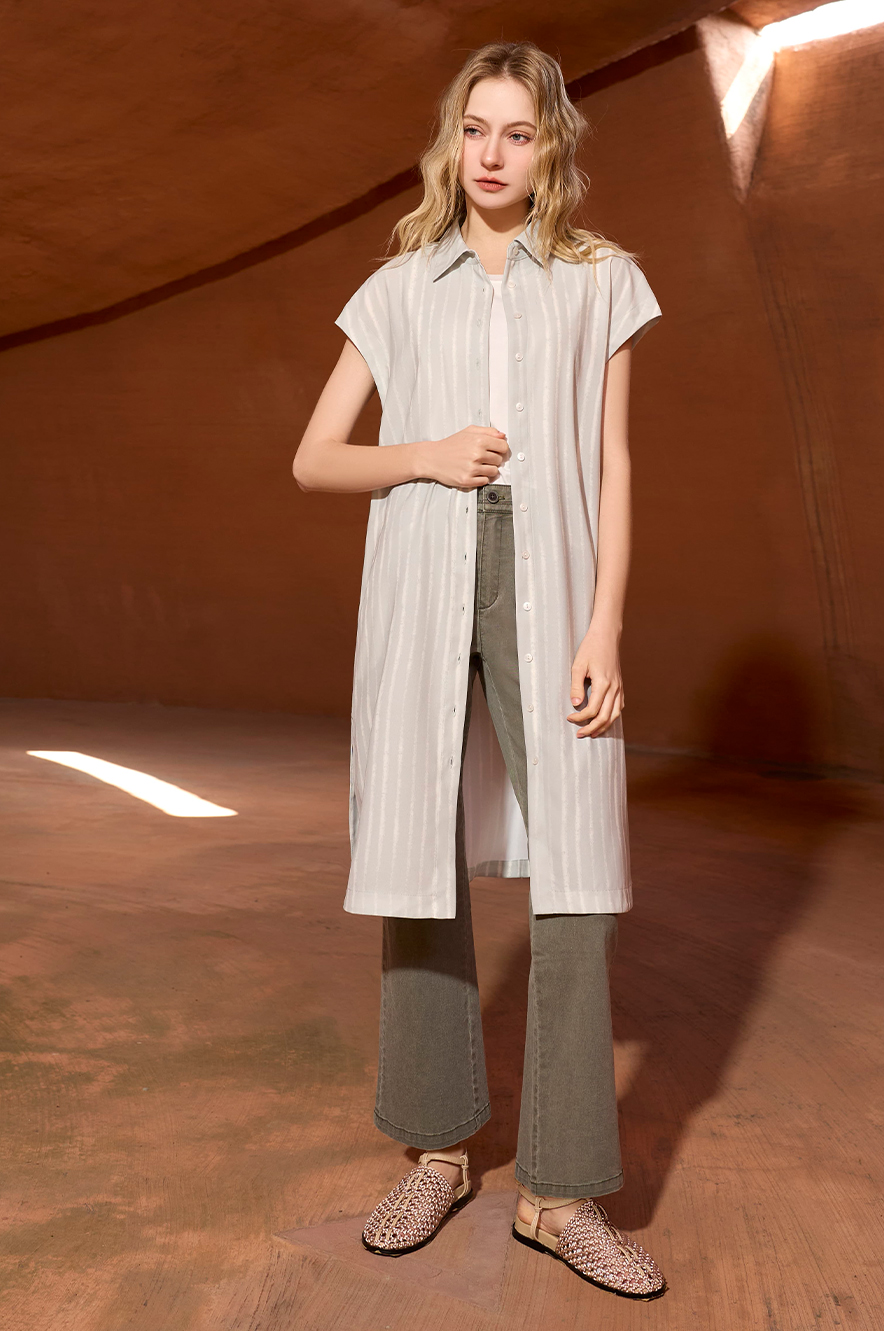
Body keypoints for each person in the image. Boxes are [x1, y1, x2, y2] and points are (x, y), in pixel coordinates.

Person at [292, 40, 665, 1302]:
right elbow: (314, 458)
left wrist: (605, 626)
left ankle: (562, 1192)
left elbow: (614, 463)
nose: (492, 154)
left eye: (518, 131)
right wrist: (427, 453)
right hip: (420, 572)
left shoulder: (603, 279)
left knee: (579, 869)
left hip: (553, 581)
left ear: (552, 145)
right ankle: (437, 1148)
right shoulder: (398, 286)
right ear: (450, 140)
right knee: (418, 854)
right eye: (474, 128)